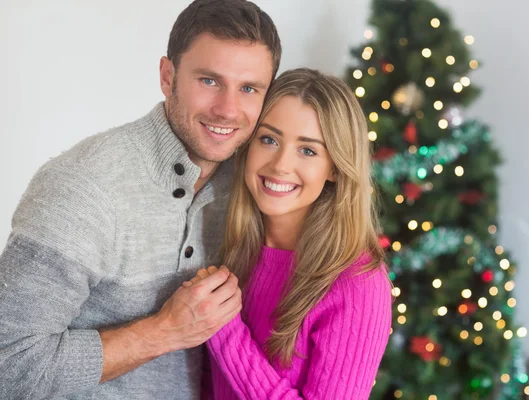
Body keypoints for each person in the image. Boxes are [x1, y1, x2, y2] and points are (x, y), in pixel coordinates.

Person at [0, 1, 281, 399]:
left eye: (249, 88)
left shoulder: (255, 184)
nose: (228, 109)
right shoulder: (82, 186)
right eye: (209, 81)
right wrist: (163, 332)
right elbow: (8, 364)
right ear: (168, 77)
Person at [185, 68, 393, 399]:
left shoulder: (358, 283)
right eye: (269, 139)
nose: (281, 164)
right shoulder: (231, 246)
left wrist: (225, 330)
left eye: (308, 150)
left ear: (336, 169)